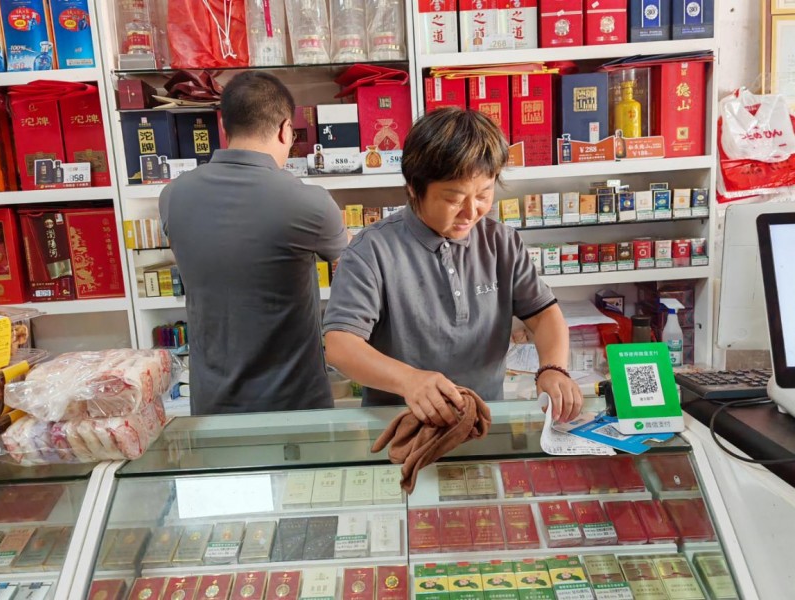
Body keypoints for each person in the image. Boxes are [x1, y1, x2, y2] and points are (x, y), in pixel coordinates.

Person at [323, 107, 583, 426]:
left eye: (484, 195)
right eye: (453, 199)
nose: (471, 212)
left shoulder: (501, 242)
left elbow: (543, 315)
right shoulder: (371, 250)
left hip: (484, 422)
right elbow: (340, 344)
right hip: (401, 428)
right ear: (414, 187)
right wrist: (409, 380)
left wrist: (553, 368)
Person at [160, 72, 348, 414]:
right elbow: (348, 261)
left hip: (212, 401)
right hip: (295, 404)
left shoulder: (173, 195)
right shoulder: (311, 203)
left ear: (223, 126)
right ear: (285, 129)